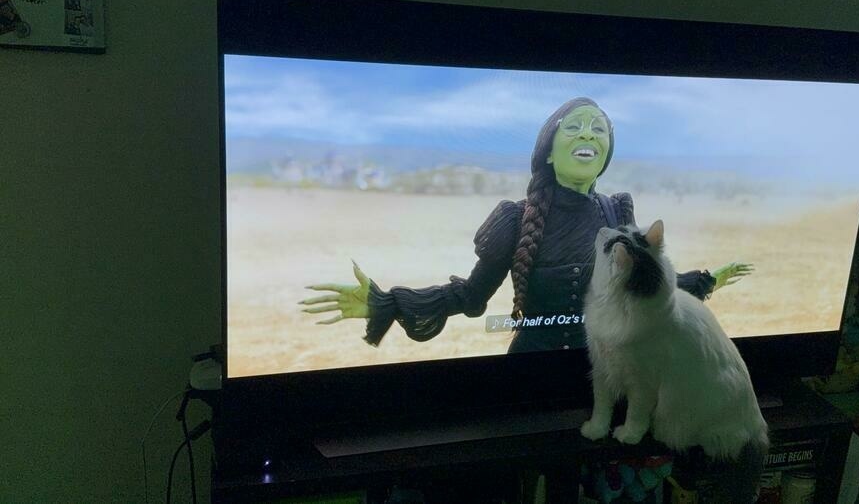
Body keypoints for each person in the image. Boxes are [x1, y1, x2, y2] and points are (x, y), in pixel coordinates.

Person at [301, 97, 751, 353]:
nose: (589, 134)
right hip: (530, 379)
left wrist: (707, 280)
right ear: (549, 150)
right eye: (574, 126)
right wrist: (386, 304)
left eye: (599, 128)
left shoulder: (618, 212)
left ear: (607, 152)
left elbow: (644, 292)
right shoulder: (516, 219)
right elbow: (470, 297)